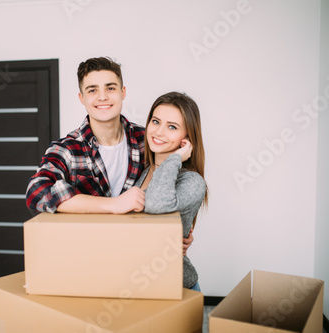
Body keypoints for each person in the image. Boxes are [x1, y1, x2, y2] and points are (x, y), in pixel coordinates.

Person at [26, 57, 194, 252]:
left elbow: (178, 185)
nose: (103, 97)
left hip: (140, 256)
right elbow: (36, 192)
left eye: (110, 88)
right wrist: (113, 205)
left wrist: (181, 230)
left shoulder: (147, 139)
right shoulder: (68, 148)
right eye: (92, 90)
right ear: (82, 98)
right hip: (92, 257)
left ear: (123, 92)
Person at [135, 91, 208, 291]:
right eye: (156, 121)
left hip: (177, 285)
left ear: (187, 139)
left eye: (172, 127)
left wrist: (176, 157)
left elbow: (155, 204)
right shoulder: (144, 171)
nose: (159, 132)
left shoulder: (193, 181)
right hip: (143, 281)